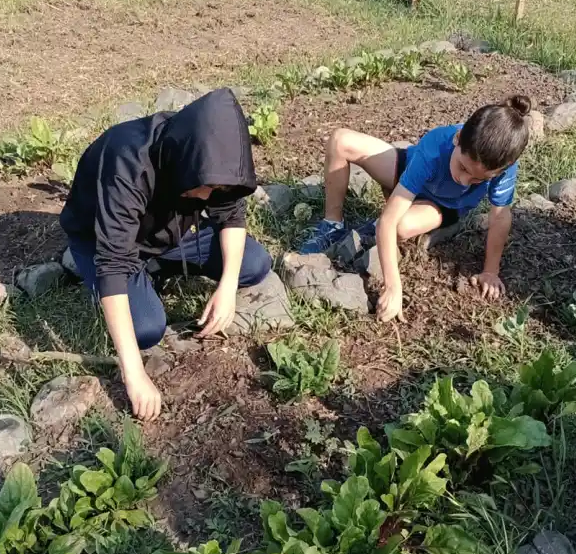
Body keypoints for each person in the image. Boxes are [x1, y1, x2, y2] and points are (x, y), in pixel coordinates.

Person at [60, 88, 271, 420]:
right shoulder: (125, 161)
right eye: (205, 186)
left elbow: (231, 215)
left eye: (215, 188)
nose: (207, 195)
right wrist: (135, 375)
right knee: (145, 329)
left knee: (253, 264)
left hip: (169, 235)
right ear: (183, 160)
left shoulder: (211, 155)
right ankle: (123, 276)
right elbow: (113, 262)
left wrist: (227, 287)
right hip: (107, 244)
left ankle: (155, 267)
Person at [299, 95, 531, 323]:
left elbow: (500, 217)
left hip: (442, 205)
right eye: (462, 167)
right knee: (341, 140)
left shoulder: (503, 167)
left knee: (399, 226)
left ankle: (418, 218)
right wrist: (393, 287)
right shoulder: (436, 145)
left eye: (476, 181)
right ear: (457, 139)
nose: (463, 179)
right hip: (406, 169)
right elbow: (387, 218)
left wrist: (490, 270)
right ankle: (332, 224)